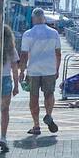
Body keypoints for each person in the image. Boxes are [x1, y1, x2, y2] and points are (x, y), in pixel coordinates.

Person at [19, 7, 61, 135]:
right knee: (49, 94)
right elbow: (58, 54)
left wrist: (22, 71)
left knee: (34, 97)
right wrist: (57, 69)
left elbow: (24, 55)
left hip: (33, 70)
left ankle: (36, 126)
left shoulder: (28, 34)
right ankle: (48, 114)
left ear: (33, 19)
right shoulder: (54, 33)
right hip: (49, 69)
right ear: (44, 18)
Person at [0, 28, 21, 153]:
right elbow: (14, 69)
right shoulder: (11, 50)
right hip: (6, 80)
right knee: (5, 110)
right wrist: (16, 86)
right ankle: (3, 137)